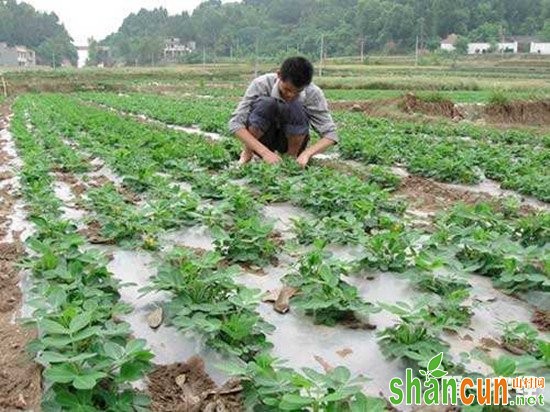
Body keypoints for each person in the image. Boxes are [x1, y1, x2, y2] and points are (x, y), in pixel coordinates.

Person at [228, 56, 338, 168]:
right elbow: (235, 124)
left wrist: (306, 154)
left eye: (298, 91)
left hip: (293, 142)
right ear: (279, 75)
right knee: (267, 103)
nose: (291, 95)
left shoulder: (313, 93)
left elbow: (331, 135)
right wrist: (265, 153)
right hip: (263, 139)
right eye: (287, 89)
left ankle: (291, 159)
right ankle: (247, 154)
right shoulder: (261, 84)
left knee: (296, 104)